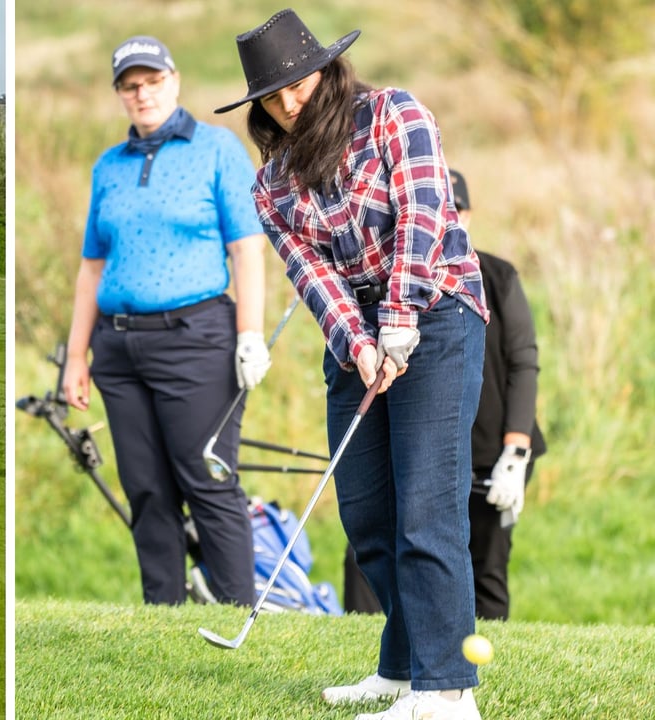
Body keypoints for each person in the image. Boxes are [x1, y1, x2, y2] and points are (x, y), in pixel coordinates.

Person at [217, 10, 488, 719]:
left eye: (296, 84)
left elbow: (424, 219)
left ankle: (448, 691)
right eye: (271, 97)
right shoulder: (271, 186)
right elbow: (312, 276)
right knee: (368, 512)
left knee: (426, 509)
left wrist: (399, 322)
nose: (288, 102)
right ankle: (401, 669)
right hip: (357, 338)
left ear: (326, 70)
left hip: (438, 311)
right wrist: (360, 343)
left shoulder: (394, 114)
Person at [60, 35, 272, 606]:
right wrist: (76, 357)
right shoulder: (109, 166)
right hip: (119, 347)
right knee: (146, 489)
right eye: (131, 86)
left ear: (174, 82)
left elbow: (247, 250)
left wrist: (250, 337)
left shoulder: (216, 150)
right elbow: (90, 269)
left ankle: (237, 611)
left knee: (207, 478)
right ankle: (163, 612)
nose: (142, 94)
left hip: (197, 339)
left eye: (152, 82)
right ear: (120, 95)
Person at [343, 169, 548, 621]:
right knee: (379, 545)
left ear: (466, 216)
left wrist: (516, 449)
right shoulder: (389, 276)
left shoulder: (497, 275)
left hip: (490, 449)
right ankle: (371, 638)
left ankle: (482, 645)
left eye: (453, 210)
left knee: (485, 563)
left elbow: (523, 361)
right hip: (416, 441)